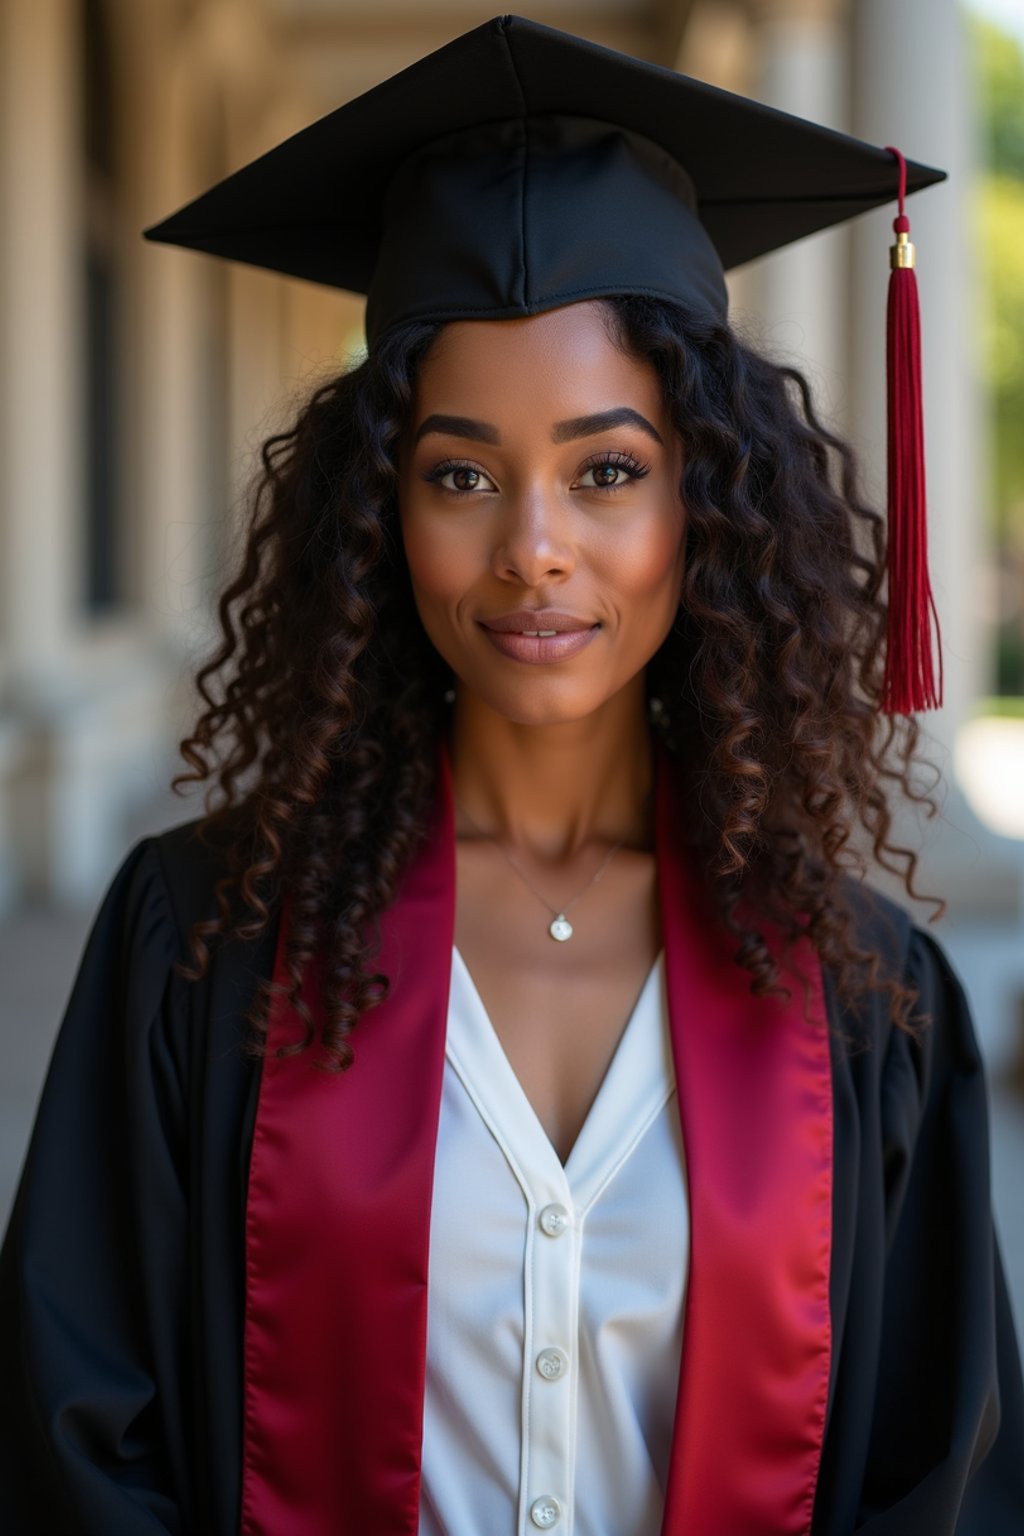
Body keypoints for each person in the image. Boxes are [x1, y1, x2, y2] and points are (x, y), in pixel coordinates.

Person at [2, 13, 1022, 1535]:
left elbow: (935, 1482)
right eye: (460, 473)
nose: (532, 546)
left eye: (608, 470)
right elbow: (74, 1450)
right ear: (377, 516)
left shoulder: (860, 996)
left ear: (707, 507)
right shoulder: (203, 945)